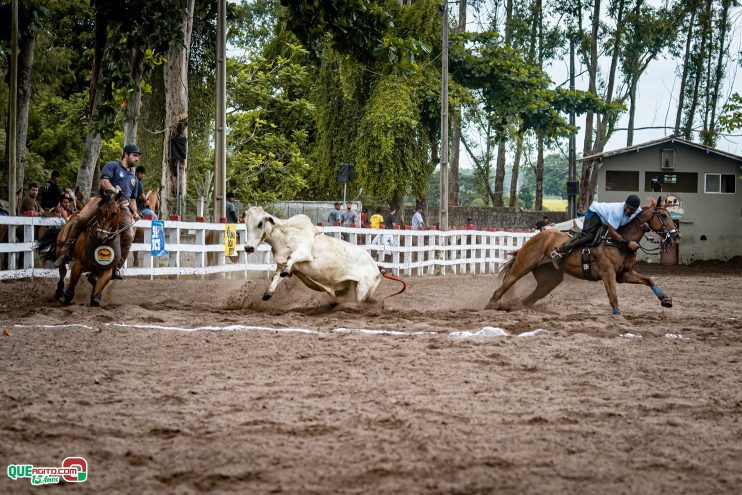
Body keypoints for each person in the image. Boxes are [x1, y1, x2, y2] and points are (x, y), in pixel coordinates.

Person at [54, 144, 142, 280]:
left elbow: (133, 199)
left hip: (122, 207)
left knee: (129, 235)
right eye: (135, 155)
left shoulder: (134, 178)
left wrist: (135, 212)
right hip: (103, 200)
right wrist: (114, 190)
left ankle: (116, 267)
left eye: (137, 156)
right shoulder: (113, 165)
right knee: (82, 217)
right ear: (126, 154)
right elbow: (104, 181)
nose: (136, 159)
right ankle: (65, 251)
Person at [550, 194, 643, 269]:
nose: (628, 210)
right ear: (625, 203)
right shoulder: (617, 212)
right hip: (595, 213)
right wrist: (627, 243)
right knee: (588, 236)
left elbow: (642, 217)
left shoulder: (639, 210)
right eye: (627, 207)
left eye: (631, 210)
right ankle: (560, 252)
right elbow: (612, 232)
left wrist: (644, 225)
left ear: (636, 209)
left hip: (604, 218)